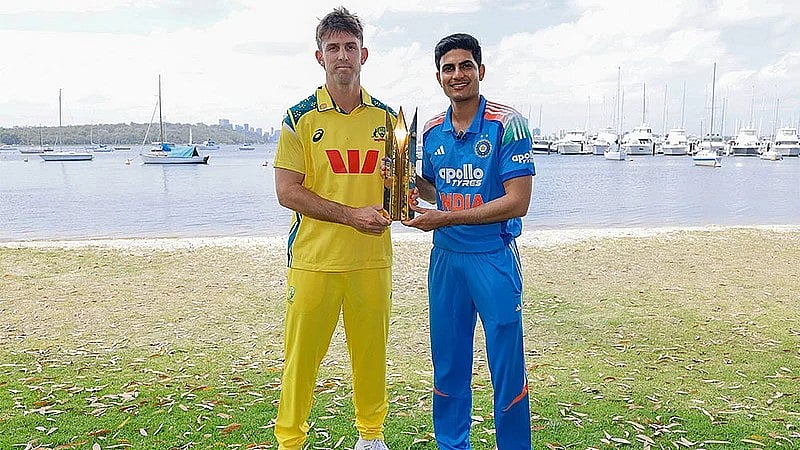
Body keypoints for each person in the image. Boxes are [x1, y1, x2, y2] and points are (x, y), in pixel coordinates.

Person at [403, 33, 535, 450]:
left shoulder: (507, 122)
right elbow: (434, 189)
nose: (457, 75)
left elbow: (518, 202)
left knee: (506, 369)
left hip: (491, 258)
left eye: (465, 66)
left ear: (481, 69)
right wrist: (400, 181)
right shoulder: (430, 129)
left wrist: (446, 216)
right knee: (448, 366)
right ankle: (451, 444)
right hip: (446, 260)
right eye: (448, 68)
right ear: (438, 77)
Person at [272, 7, 394, 450]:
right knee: (301, 360)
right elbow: (288, 191)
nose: (342, 56)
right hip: (314, 260)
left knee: (371, 357)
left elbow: (402, 186)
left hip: (371, 260)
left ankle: (371, 436)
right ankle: (290, 440)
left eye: (349, 47)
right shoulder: (298, 118)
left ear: (364, 54)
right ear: (319, 57)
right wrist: (349, 216)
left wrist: (405, 193)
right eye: (332, 48)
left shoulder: (387, 119)